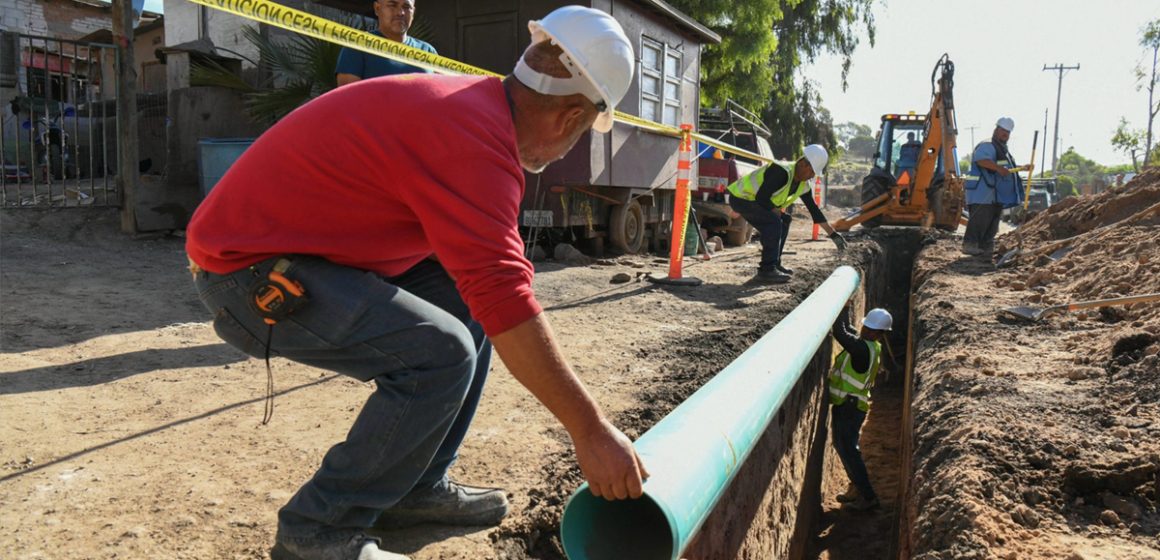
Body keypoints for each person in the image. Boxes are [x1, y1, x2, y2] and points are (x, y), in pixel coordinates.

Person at [186, 7, 645, 560]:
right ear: (571, 118)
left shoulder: (472, 109)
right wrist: (591, 431)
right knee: (439, 353)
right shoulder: (472, 139)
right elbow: (505, 294)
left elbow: (489, 283)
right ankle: (317, 531)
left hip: (294, 256)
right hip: (245, 274)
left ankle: (415, 488)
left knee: (465, 310)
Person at [726, 144, 847, 283]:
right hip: (742, 198)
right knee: (774, 222)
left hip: (756, 201)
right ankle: (766, 270)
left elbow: (814, 210)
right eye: (812, 172)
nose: (812, 176)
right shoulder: (781, 171)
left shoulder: (803, 185)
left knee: (785, 220)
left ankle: (774, 264)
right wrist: (776, 212)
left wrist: (832, 234)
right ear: (803, 164)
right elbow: (762, 197)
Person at [828, 305, 892, 512]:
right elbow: (848, 329)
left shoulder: (862, 349)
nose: (865, 331)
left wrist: (839, 304)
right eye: (866, 327)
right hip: (851, 405)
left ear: (879, 334)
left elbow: (840, 332)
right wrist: (845, 305)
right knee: (844, 447)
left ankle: (868, 497)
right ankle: (857, 488)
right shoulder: (868, 345)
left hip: (850, 407)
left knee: (848, 450)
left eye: (871, 330)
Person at [962, 117, 1030, 256]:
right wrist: (999, 169)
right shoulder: (988, 145)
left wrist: (1022, 168)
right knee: (980, 220)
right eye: (1003, 131)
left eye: (1008, 132)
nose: (1005, 134)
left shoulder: (1002, 149)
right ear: (996, 129)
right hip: (982, 192)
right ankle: (970, 245)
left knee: (992, 223)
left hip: (995, 194)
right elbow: (981, 160)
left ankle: (985, 247)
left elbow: (1005, 167)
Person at [335, 0, 436, 85]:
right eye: (392, 5)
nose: (400, 12)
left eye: (406, 7)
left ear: (413, 12)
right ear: (377, 8)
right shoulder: (358, 45)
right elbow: (348, 97)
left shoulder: (428, 51)